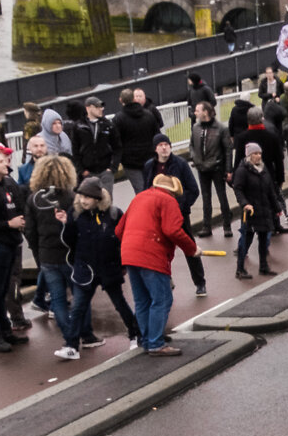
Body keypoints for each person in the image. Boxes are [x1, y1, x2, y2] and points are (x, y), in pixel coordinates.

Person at [25, 155, 102, 354]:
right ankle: (86, 335)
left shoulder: (33, 199)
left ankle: (70, 336)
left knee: (58, 300)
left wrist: (38, 252)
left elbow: (30, 231)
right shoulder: (72, 197)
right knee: (80, 297)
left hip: (47, 255)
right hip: (71, 255)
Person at [116, 174, 199, 357]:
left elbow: (119, 229)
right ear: (173, 191)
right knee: (161, 299)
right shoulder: (168, 200)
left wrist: (132, 245)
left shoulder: (140, 197)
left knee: (142, 301)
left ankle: (147, 339)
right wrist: (192, 249)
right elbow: (173, 230)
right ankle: (155, 343)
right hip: (151, 255)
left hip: (129, 254)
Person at [60, 176, 140, 355]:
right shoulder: (74, 213)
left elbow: (123, 239)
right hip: (85, 269)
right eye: (81, 196)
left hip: (108, 267)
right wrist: (65, 225)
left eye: (87, 197)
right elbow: (68, 241)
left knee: (120, 304)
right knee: (78, 307)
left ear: (97, 198)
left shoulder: (113, 214)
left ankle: (135, 335)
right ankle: (71, 345)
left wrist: (123, 263)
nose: (83, 200)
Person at [142, 134, 207, 297]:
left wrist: (181, 207)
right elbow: (146, 190)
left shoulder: (181, 164)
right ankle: (166, 280)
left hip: (179, 214)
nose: (164, 147)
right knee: (160, 250)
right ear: (155, 148)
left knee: (189, 246)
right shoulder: (149, 166)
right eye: (161, 145)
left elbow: (193, 189)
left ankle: (200, 282)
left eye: (167, 144)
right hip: (157, 216)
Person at [0, 146, 28, 352]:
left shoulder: (6, 184)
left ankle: (5, 331)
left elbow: (16, 207)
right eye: (0, 161)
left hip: (10, 243)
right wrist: (8, 225)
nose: (6, 163)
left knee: (3, 290)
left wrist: (19, 221)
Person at [232, 143, 284, 279]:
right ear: (249, 155)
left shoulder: (263, 169)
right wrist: (245, 204)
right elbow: (238, 189)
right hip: (250, 212)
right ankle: (240, 269)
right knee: (246, 240)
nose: (258, 156)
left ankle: (263, 267)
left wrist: (277, 208)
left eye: (259, 153)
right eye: (255, 154)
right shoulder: (242, 171)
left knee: (263, 240)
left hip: (264, 210)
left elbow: (270, 190)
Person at [232, 106, 288, 232]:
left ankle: (246, 230)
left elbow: (238, 159)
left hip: (247, 176)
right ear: (261, 118)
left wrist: (235, 176)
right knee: (271, 199)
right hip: (268, 174)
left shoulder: (242, 138)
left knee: (247, 203)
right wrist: (280, 177)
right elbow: (279, 159)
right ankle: (274, 225)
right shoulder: (271, 136)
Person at [189, 101, 233, 238]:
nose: (195, 113)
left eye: (197, 110)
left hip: (217, 168)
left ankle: (227, 226)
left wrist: (228, 170)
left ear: (205, 112)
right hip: (202, 168)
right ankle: (206, 227)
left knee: (222, 197)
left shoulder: (221, 129)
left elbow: (228, 150)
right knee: (206, 198)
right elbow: (192, 145)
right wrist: (195, 159)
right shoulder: (195, 127)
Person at [70, 96, 121, 202]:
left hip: (105, 170)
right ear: (88, 108)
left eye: (101, 107)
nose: (101, 109)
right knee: (90, 201)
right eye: (97, 107)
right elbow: (75, 150)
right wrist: (81, 170)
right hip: (88, 172)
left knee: (106, 201)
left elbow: (117, 147)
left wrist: (112, 168)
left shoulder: (108, 125)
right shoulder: (78, 126)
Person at [114, 88, 162, 194]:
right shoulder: (149, 115)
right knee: (153, 187)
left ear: (121, 100)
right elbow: (157, 135)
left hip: (130, 162)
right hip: (149, 157)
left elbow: (116, 142)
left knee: (140, 191)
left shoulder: (118, 118)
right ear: (134, 99)